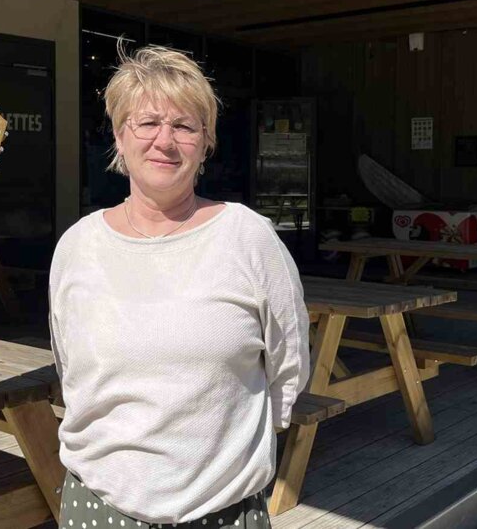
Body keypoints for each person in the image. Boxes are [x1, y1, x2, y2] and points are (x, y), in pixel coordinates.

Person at [49, 44, 310, 528]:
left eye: (185, 126)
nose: (164, 141)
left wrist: (228, 457)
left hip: (223, 511)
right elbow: (71, 372)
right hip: (99, 506)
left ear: (206, 143)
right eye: (147, 123)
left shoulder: (248, 237)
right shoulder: (77, 247)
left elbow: (288, 366)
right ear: (119, 135)